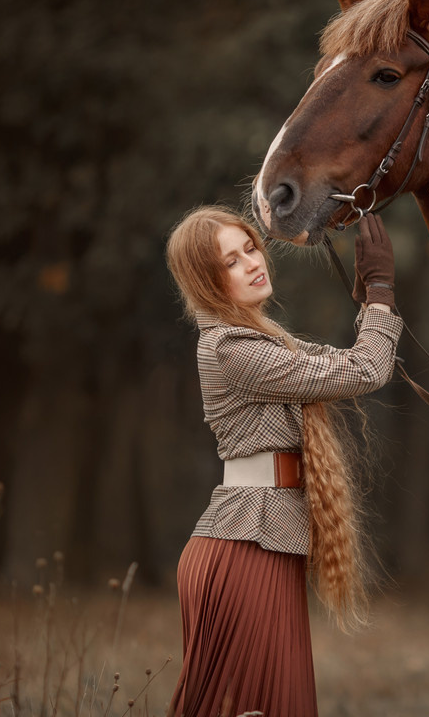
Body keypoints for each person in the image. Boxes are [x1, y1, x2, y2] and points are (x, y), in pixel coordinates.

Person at [163, 205, 402, 717]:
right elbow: (364, 370)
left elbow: (339, 363)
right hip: (246, 548)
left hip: (264, 539)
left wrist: (367, 299)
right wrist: (381, 290)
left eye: (250, 247)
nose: (252, 263)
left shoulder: (261, 341)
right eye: (231, 261)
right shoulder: (232, 348)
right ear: (206, 283)